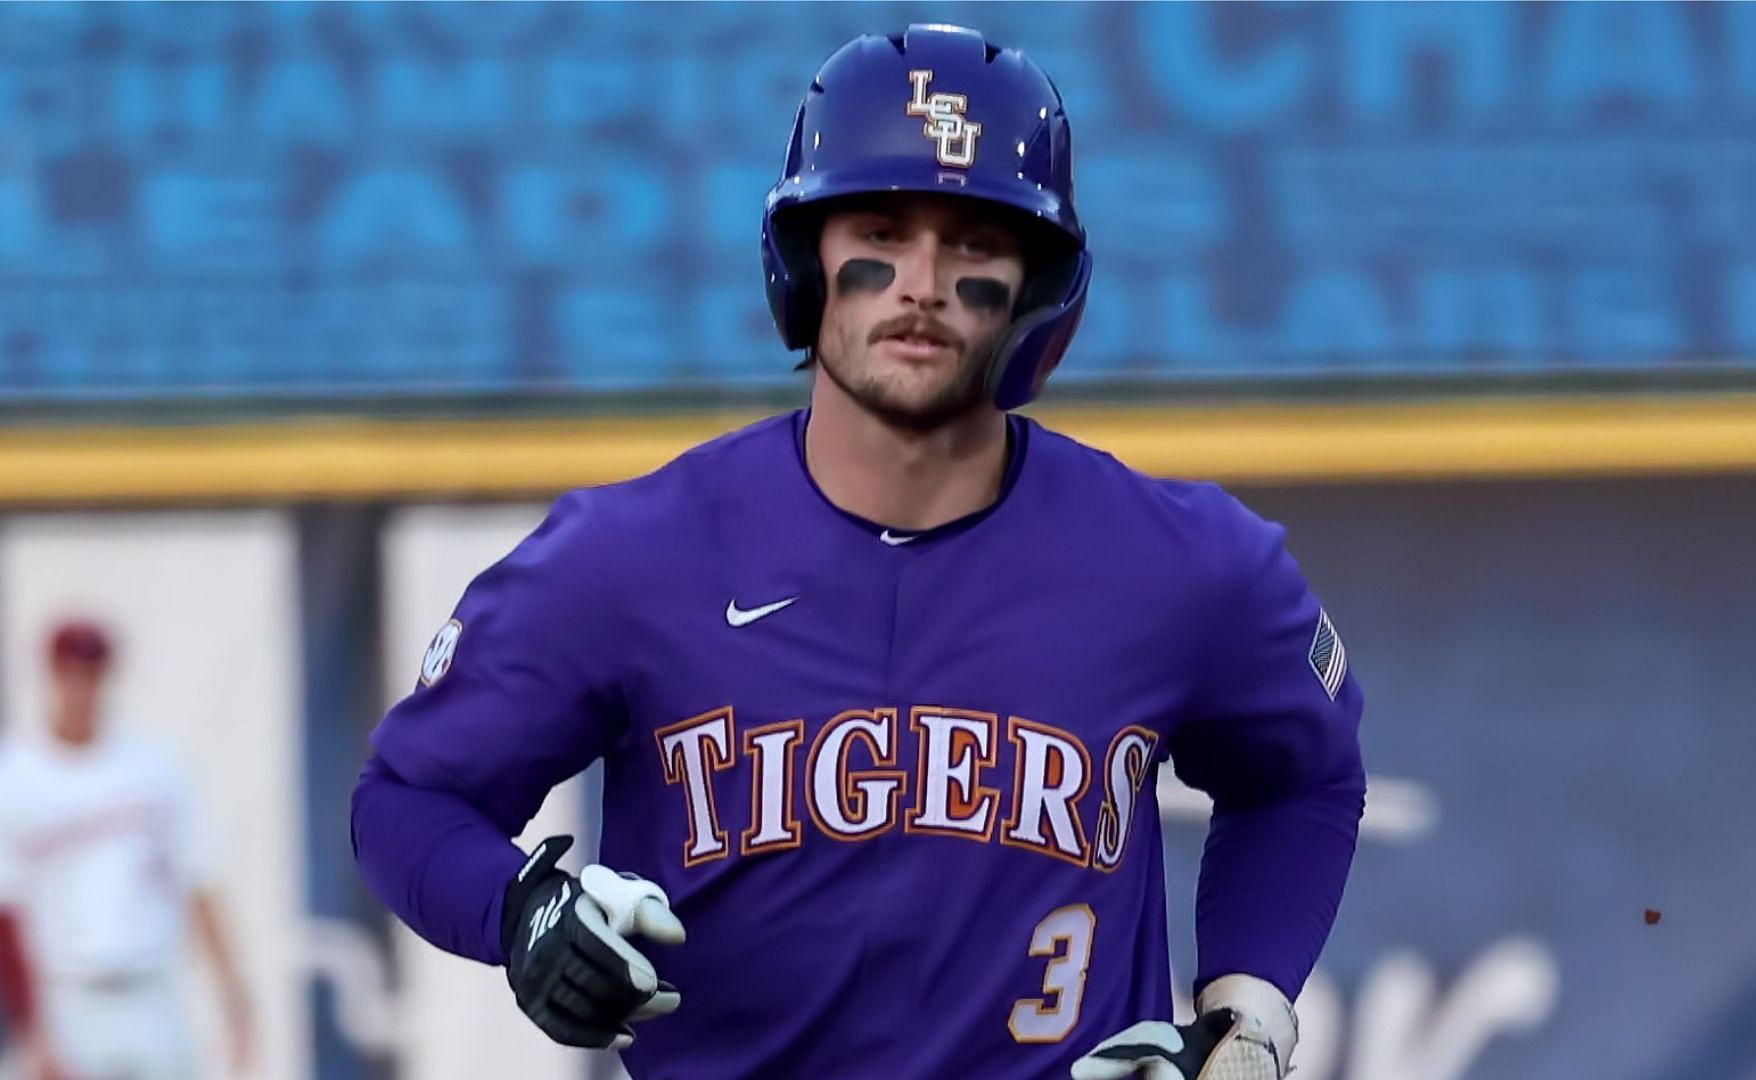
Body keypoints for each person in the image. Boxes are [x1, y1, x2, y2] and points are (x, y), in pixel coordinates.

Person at [351, 23, 1365, 1080]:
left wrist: (1250, 1010)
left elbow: (1306, 776)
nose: (923, 280)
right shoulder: (631, 557)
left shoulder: (1184, 566)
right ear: (809, 258)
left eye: (975, 240)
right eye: (882, 226)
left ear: (1038, 284)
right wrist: (521, 912)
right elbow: (408, 801)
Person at [0, 619, 254, 1080]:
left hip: (150, 992)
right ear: (52, 676)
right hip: (66, 996)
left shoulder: (152, 768)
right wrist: (28, 1027)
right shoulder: (16, 777)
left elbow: (199, 879)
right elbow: (7, 911)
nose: (81, 690)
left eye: (92, 674)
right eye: (70, 674)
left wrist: (234, 995)